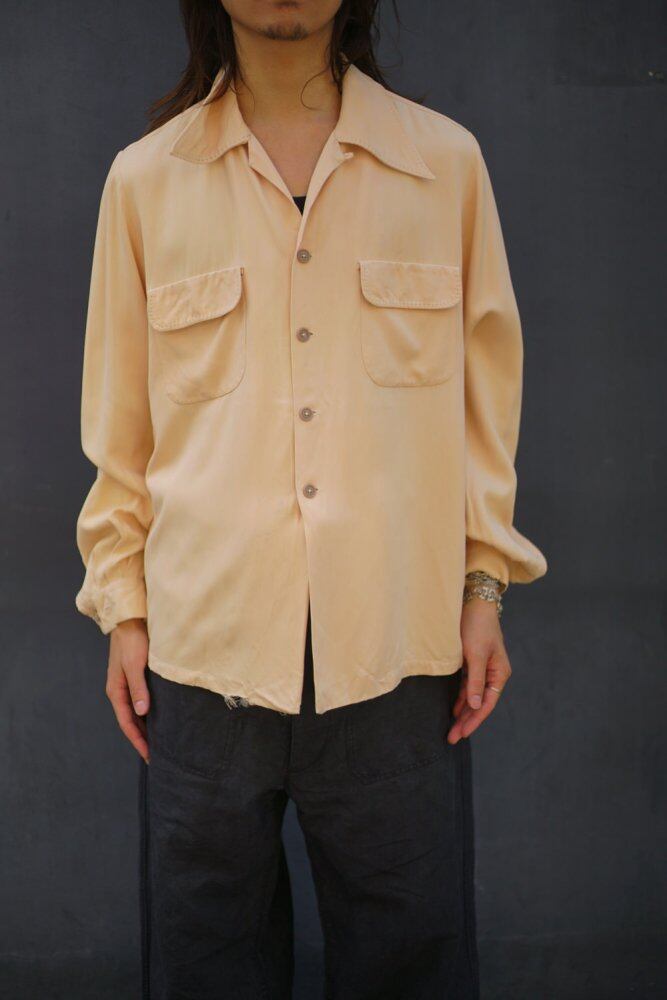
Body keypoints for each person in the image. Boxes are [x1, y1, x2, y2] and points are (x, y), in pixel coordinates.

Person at [74, 1, 547, 997]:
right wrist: (123, 606)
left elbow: (485, 407)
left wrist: (484, 584)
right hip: (198, 660)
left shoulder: (443, 166)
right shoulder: (146, 181)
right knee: (205, 971)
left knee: (411, 970)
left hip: (397, 654)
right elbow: (119, 428)